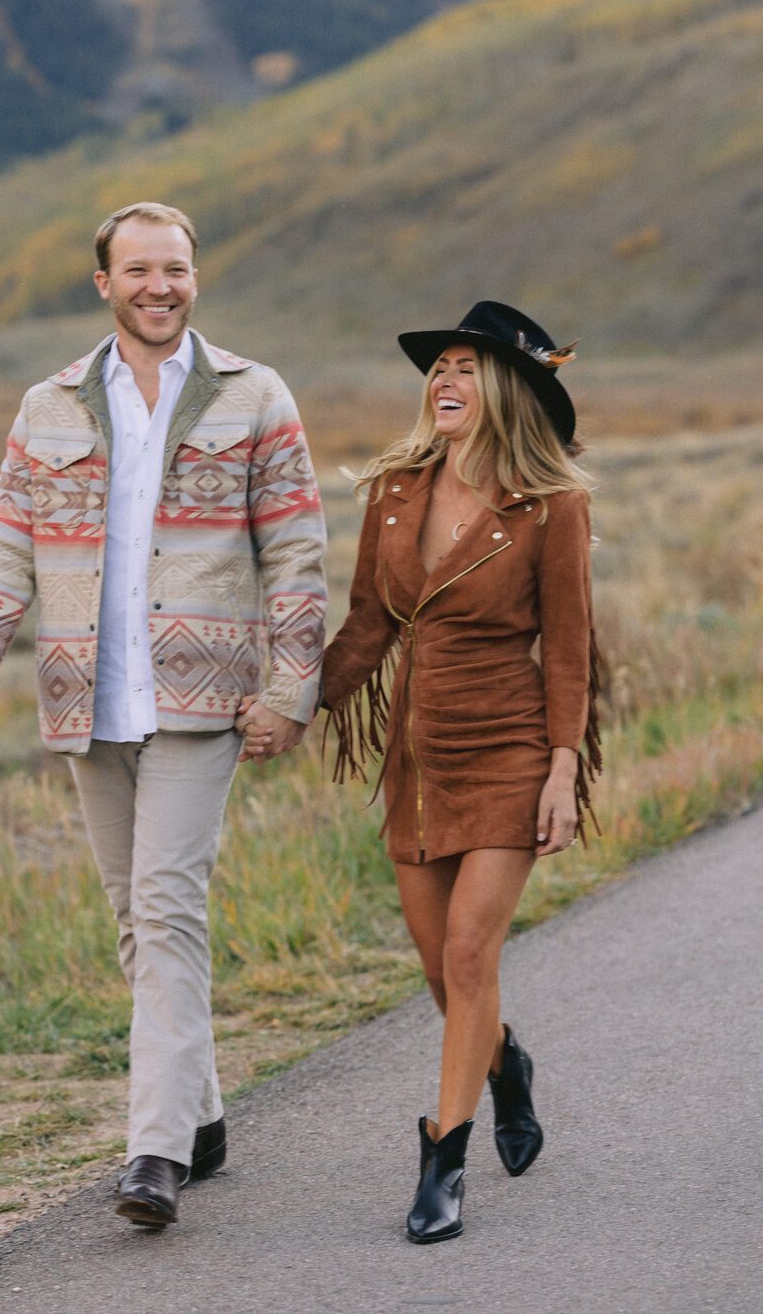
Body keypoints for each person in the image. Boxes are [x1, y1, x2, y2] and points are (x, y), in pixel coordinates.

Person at [0, 202, 327, 1229]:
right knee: (135, 920)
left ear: (194, 278)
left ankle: (155, 1154)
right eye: (141, 270)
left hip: (204, 702)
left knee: (166, 908)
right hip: (89, 699)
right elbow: (4, 545)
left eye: (177, 270)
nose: (161, 287)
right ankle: (202, 1117)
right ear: (104, 283)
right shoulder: (49, 405)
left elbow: (296, 550)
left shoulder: (255, 395)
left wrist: (290, 687)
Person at [320, 301, 601, 1245]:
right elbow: (367, 626)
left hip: (510, 747)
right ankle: (503, 1062)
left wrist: (562, 771)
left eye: (466, 368)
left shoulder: (552, 505)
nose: (444, 379)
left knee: (473, 956)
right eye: (439, 366)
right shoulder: (396, 490)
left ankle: (444, 1162)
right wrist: (293, 704)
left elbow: (570, 648)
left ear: (510, 391)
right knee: (442, 969)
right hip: (418, 757)